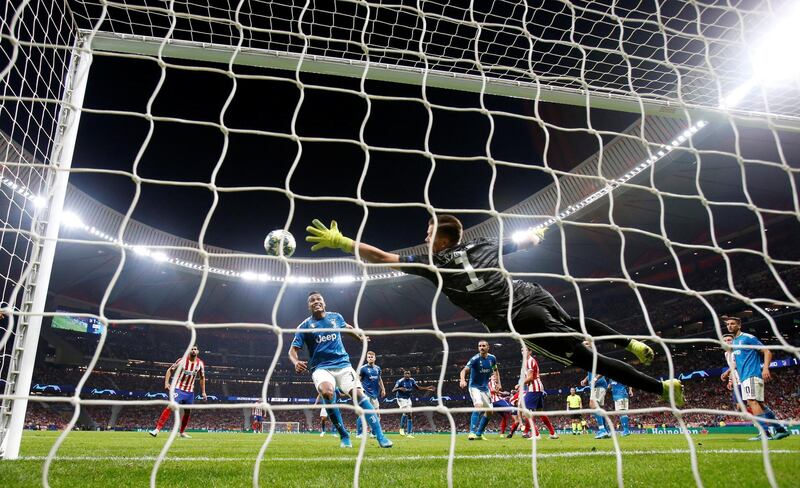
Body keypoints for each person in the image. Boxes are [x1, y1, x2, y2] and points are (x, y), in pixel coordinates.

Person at [305, 216, 684, 407]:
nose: (424, 237)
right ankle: (631, 341)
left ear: (442, 238)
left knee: (587, 361)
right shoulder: (485, 243)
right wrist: (537, 234)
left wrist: (343, 242)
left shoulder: (432, 264)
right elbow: (527, 240)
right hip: (532, 293)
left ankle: (661, 388)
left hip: (521, 320)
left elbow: (381, 257)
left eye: (428, 232)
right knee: (573, 320)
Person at [289, 291, 393, 448]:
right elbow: (292, 350)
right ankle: (344, 436)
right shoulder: (304, 327)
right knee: (326, 392)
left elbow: (347, 328)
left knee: (358, 395)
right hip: (321, 368)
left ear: (324, 303)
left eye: (319, 299)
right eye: (312, 300)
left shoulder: (336, 317)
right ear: (309, 306)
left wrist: (359, 337)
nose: (316, 301)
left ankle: (380, 436)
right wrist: (295, 362)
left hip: (343, 365)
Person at [725, 316, 790, 441]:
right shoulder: (735, 343)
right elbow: (738, 362)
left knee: (752, 402)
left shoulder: (748, 338)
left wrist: (765, 368)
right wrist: (729, 372)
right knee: (760, 404)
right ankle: (780, 430)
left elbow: (767, 351)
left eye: (732, 324)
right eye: (728, 324)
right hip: (744, 378)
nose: (730, 326)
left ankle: (764, 433)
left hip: (752, 374)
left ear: (739, 325)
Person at [149, 345, 207, 438]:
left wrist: (203, 392)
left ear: (198, 351)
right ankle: (157, 429)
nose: (193, 350)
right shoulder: (182, 361)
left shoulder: (200, 363)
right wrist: (166, 383)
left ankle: (182, 432)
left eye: (195, 349)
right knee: (171, 406)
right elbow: (169, 370)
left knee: (187, 411)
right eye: (191, 349)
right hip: (178, 389)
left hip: (190, 392)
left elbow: (202, 378)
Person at [460, 340, 500, 440]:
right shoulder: (475, 359)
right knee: (478, 406)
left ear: (488, 347)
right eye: (479, 346)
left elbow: (495, 370)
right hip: (474, 387)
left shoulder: (492, 358)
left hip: (485, 388)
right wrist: (462, 380)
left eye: (483, 346)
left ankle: (479, 434)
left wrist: (498, 383)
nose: (481, 347)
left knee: (490, 412)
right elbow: (464, 370)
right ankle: (472, 432)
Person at [520, 347, 558, 440]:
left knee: (526, 410)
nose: (523, 352)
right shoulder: (528, 361)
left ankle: (536, 435)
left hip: (534, 388)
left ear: (530, 351)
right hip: (536, 388)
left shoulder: (529, 361)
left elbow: (530, 378)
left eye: (525, 350)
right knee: (540, 412)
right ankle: (553, 433)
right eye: (521, 350)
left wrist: (520, 384)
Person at [393, 370, 435, 438]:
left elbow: (418, 388)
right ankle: (401, 429)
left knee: (409, 414)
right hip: (401, 399)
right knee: (408, 413)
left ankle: (409, 433)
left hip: (408, 399)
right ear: (404, 375)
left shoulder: (412, 380)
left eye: (408, 374)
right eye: (405, 374)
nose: (407, 375)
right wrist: (399, 388)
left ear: (410, 375)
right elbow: (393, 390)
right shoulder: (400, 381)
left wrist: (428, 388)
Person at [357, 351, 386, 438]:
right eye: (369, 357)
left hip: (374, 395)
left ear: (375, 358)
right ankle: (359, 433)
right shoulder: (363, 368)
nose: (370, 358)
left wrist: (383, 389)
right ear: (366, 358)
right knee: (363, 414)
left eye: (371, 357)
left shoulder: (378, 368)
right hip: (365, 394)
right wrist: (359, 390)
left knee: (377, 414)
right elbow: (358, 380)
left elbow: (379, 379)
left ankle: (373, 433)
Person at [581, 358, 610, 439]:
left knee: (593, 404)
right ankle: (606, 431)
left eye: (587, 344)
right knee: (599, 408)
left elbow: (603, 370)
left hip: (598, 385)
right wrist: (585, 380)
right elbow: (591, 373)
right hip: (598, 386)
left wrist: (595, 379)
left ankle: (602, 430)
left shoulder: (594, 358)